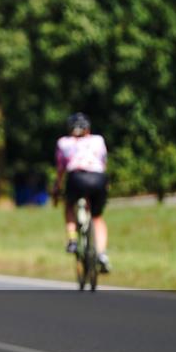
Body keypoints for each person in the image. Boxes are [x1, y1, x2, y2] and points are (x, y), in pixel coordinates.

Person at [53, 112, 111, 273]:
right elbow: (103, 163)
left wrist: (57, 188)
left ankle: (72, 240)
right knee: (98, 217)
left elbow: (60, 169)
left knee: (69, 206)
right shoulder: (98, 140)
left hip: (76, 177)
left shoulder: (64, 142)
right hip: (98, 178)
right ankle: (101, 254)